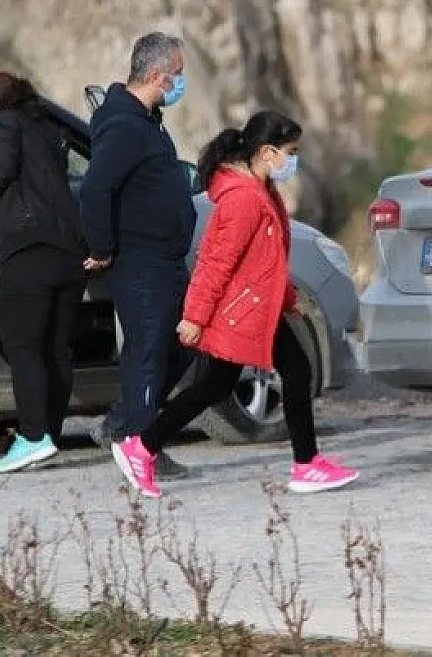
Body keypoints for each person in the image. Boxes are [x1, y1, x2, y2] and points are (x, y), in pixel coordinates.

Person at [111, 110, 358, 499]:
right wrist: (195, 317)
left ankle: (142, 447)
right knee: (281, 375)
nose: (292, 161)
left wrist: (288, 298)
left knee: (224, 383)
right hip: (240, 311)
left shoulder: (261, 192)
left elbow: (266, 260)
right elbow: (215, 261)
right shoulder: (244, 200)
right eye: (289, 152)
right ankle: (142, 447)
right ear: (266, 152)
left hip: (258, 306)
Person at [79, 32, 199, 481]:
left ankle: (126, 425)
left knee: (185, 343)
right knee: (147, 348)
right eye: (179, 74)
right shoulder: (124, 125)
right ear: (156, 75)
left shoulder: (148, 121)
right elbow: (96, 188)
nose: (182, 83)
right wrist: (101, 247)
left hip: (167, 257)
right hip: (140, 259)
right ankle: (139, 443)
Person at [0, 72, 88, 474]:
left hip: (28, 252)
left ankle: (33, 437)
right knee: (55, 349)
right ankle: (48, 435)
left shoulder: (5, 124)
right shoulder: (46, 129)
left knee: (24, 347)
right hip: (68, 251)